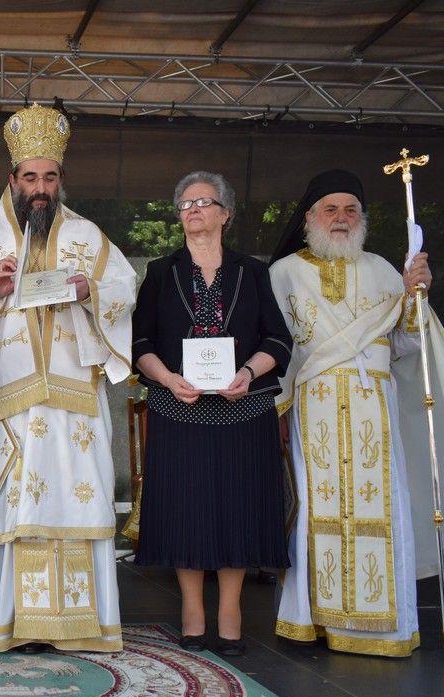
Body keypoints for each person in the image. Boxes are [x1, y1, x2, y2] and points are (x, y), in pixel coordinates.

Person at [269, 169, 444, 657]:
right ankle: (313, 619)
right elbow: (275, 346)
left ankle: (381, 627)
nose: (341, 218)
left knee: (383, 504)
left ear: (363, 219)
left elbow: (406, 345)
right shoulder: (284, 273)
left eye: (350, 210)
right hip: (316, 407)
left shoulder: (383, 271)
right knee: (316, 506)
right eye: (330, 210)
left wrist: (417, 297)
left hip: (374, 406)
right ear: (310, 217)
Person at [0, 104, 136, 653]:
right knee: (19, 508)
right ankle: (15, 626)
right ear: (12, 180)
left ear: (60, 179)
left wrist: (90, 291)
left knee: (78, 503)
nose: (40, 188)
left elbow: (125, 290)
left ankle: (80, 627)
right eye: (30, 177)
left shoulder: (89, 237)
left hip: (77, 405)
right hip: (13, 403)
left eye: (49, 177)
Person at [129, 172, 292, 657]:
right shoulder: (161, 272)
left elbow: (278, 339)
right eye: (185, 204)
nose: (193, 209)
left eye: (204, 201)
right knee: (186, 511)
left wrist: (247, 372)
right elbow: (140, 342)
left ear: (226, 213)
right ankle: (192, 611)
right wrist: (166, 378)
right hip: (178, 410)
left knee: (237, 510)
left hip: (245, 409)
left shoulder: (252, 271)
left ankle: (231, 611)